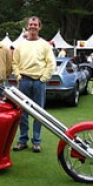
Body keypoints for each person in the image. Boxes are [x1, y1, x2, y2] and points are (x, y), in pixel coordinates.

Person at [12, 16, 56, 153]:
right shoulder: (20, 45)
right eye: (31, 24)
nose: (33, 27)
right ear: (27, 26)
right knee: (22, 113)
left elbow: (51, 63)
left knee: (39, 113)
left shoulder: (45, 45)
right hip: (24, 80)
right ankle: (22, 140)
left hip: (38, 82)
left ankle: (36, 141)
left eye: (35, 24)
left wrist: (44, 78)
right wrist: (18, 76)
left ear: (39, 27)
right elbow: (15, 62)